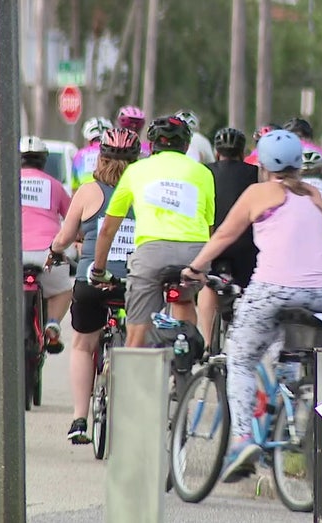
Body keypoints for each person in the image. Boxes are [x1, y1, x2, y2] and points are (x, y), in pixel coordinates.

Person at [181, 129, 322, 482]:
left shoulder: (258, 192)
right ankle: (291, 404)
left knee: (240, 358)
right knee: (284, 350)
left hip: (275, 287)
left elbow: (224, 234)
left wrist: (195, 269)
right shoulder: (314, 194)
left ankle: (242, 440)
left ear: (263, 164)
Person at [47, 127, 141, 444]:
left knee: (83, 346)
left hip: (91, 281)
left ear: (100, 159)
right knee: (140, 343)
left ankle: (79, 418)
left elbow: (63, 238)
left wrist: (55, 252)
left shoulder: (87, 192)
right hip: (132, 283)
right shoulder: (144, 191)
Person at [91, 116, 214, 349]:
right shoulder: (203, 173)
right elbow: (209, 226)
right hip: (196, 254)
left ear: (152, 145)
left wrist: (98, 269)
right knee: (185, 298)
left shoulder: (136, 170)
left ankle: (136, 378)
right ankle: (184, 368)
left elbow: (108, 228)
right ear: (186, 146)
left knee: (137, 332)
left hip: (152, 254)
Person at [197, 127, 258, 347]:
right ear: (243, 152)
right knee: (251, 288)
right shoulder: (255, 174)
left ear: (216, 151)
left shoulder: (204, 172)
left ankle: (206, 342)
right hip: (246, 246)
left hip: (214, 243)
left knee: (207, 285)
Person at [19, 135, 74, 352]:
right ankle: (52, 322)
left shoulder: (6, 183)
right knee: (61, 290)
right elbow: (71, 219)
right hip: (47, 253)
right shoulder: (55, 185)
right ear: (44, 161)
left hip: (14, 254)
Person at [72, 116, 113, 192]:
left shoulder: (79, 155)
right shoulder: (114, 153)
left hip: (86, 196)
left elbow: (74, 187)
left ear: (89, 139)